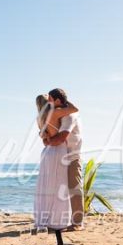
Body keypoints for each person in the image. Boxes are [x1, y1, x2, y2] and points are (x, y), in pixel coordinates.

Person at [33, 94, 78, 230]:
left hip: (47, 151)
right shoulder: (55, 112)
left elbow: (44, 138)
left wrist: (47, 140)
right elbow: (74, 108)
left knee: (46, 186)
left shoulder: (39, 118)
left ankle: (44, 219)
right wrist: (62, 98)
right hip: (58, 150)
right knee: (59, 185)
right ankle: (57, 221)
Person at [43, 88, 83, 230]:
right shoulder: (61, 114)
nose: (48, 103)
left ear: (58, 101)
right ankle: (59, 221)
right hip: (62, 157)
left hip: (72, 156)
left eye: (50, 100)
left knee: (74, 188)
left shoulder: (70, 116)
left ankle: (77, 223)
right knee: (59, 189)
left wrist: (49, 141)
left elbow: (61, 137)